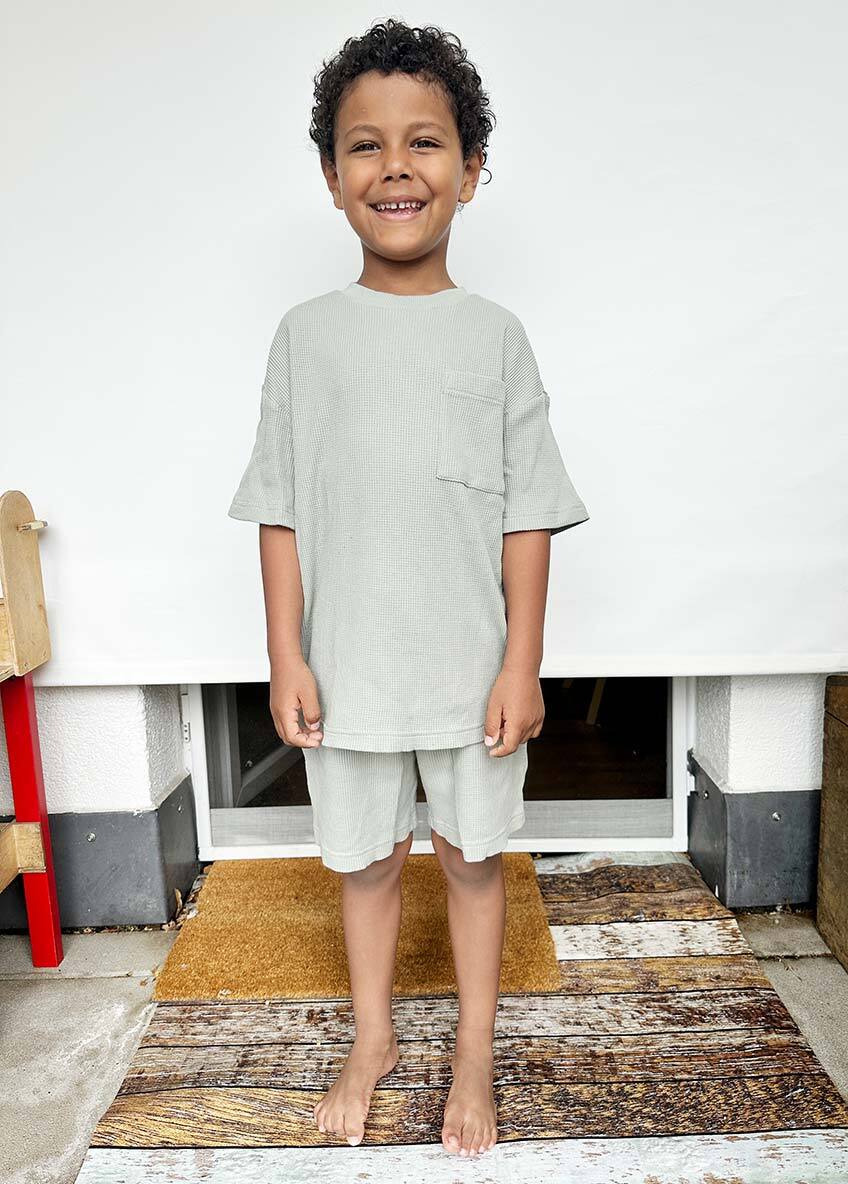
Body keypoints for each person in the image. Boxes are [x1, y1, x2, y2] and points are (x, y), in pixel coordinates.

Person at [227, 18, 589, 1160]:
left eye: (424, 142)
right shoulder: (304, 338)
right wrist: (286, 654)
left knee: (471, 861)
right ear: (332, 176)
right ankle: (373, 1036)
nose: (396, 167)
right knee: (367, 861)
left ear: (470, 170)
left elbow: (528, 509)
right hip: (348, 669)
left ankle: (474, 1048)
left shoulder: (496, 338)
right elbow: (278, 506)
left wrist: (522, 663)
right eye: (365, 144)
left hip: (467, 669)